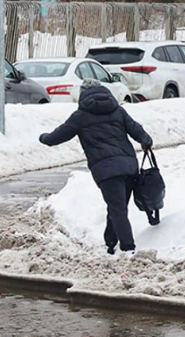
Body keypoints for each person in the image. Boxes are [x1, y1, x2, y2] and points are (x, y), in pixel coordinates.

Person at [38, 79, 153, 255]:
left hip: (106, 170)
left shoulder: (80, 116)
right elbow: (137, 130)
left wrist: (43, 137)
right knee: (117, 207)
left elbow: (57, 137)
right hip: (129, 166)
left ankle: (129, 250)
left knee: (117, 209)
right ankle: (110, 244)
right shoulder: (118, 111)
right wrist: (146, 141)